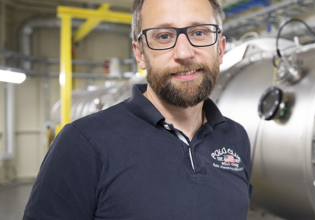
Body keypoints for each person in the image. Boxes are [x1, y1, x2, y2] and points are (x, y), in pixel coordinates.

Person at [23, 0, 252, 219]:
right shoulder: (83, 144)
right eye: (164, 36)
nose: (184, 53)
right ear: (140, 54)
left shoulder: (236, 138)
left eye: (199, 33)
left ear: (220, 49)